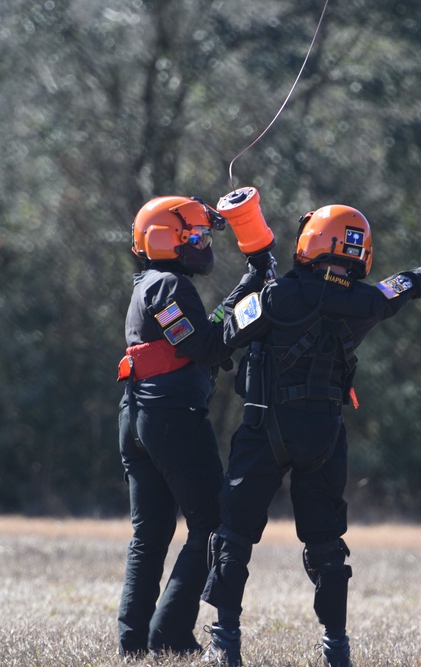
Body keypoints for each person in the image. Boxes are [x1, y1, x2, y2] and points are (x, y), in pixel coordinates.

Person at [199, 204, 421, 667]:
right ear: (359, 252)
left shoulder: (274, 297)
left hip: (264, 428)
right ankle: (336, 649)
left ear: (311, 242)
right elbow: (420, 278)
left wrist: (251, 279)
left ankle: (225, 645)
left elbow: (219, 338)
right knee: (327, 545)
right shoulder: (371, 301)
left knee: (233, 536)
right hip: (325, 436)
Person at [115, 195, 268, 657]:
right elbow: (207, 347)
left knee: (151, 534)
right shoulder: (168, 286)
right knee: (213, 522)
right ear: (167, 240)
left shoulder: (152, 283)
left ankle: (133, 642)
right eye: (196, 236)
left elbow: (202, 334)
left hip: (138, 420)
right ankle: (170, 636)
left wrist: (248, 285)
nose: (203, 243)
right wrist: (257, 309)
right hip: (171, 419)